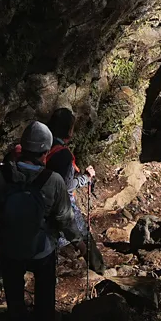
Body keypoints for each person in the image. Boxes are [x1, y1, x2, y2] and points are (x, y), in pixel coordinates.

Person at [0, 120, 75, 321]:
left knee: (14, 293)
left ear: (22, 147)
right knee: (45, 290)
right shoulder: (53, 181)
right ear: (46, 152)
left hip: (9, 247)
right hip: (42, 250)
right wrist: (79, 241)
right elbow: (66, 218)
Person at [43, 107, 103, 272]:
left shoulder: (42, 144)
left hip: (42, 205)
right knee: (83, 237)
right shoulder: (63, 154)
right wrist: (86, 178)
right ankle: (100, 272)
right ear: (69, 130)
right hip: (63, 205)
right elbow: (67, 185)